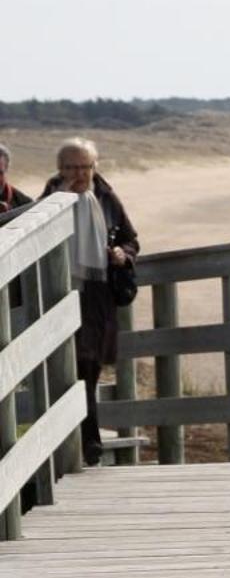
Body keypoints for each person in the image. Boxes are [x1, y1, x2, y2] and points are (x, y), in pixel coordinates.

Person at [41, 139, 139, 466]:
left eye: (85, 166)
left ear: (94, 167)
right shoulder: (49, 200)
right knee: (70, 369)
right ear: (60, 169)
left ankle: (88, 441)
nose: (79, 173)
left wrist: (122, 254)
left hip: (97, 296)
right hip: (60, 293)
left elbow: (131, 239)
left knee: (89, 368)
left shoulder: (107, 198)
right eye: (71, 167)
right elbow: (34, 234)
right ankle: (86, 442)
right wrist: (59, 201)